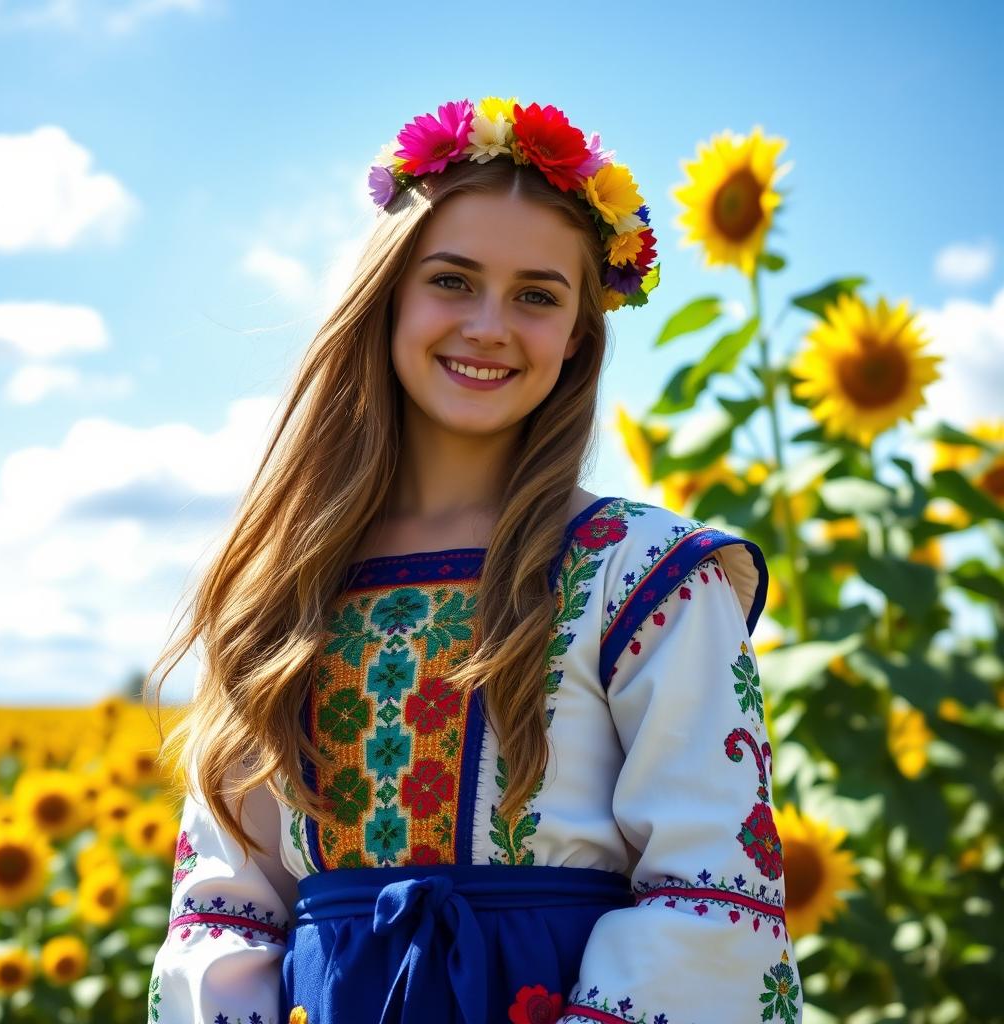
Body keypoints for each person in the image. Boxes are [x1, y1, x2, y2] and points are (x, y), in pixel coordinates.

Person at [145, 96, 802, 1024]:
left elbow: (713, 901)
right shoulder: (283, 588)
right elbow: (223, 910)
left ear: (578, 335)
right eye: (452, 280)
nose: (491, 324)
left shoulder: (648, 575)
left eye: (537, 294)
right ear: (389, 296)